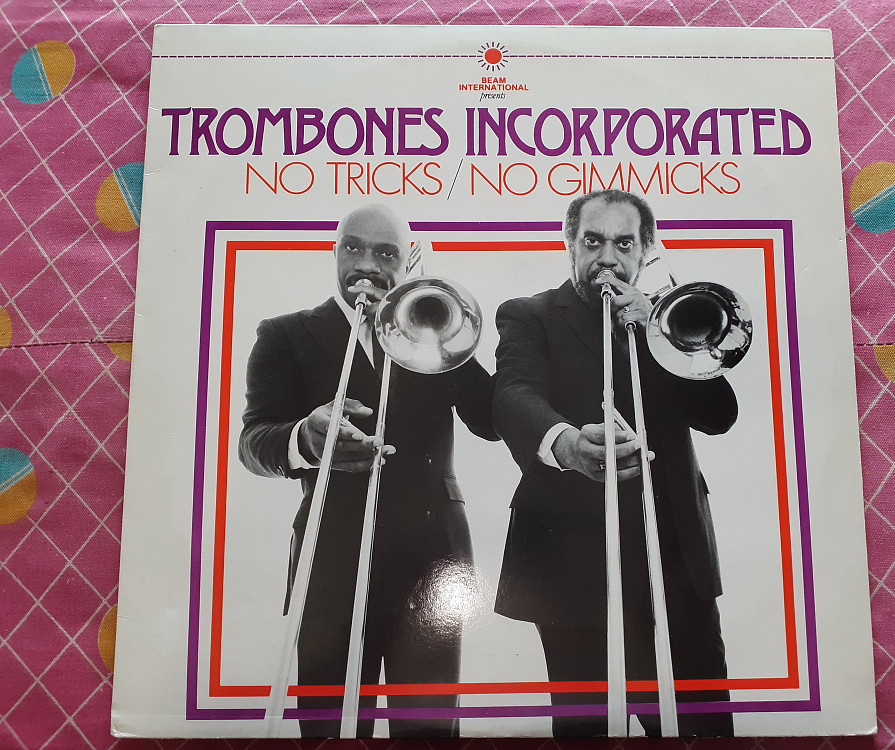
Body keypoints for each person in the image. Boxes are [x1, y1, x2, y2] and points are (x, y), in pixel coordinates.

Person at [239, 204, 497, 738]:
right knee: (330, 729)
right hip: (330, 560)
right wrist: (303, 438)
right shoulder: (285, 334)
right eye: (352, 248)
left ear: (410, 260)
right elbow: (253, 442)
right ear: (334, 251)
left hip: (432, 563)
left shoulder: (431, 326)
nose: (366, 265)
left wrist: (436, 321)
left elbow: (492, 422)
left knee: (429, 733)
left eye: (386, 253)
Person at [492, 189, 738, 737]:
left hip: (675, 567)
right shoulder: (529, 315)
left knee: (703, 731)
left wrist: (660, 332)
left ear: (645, 250)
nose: (607, 257)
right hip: (570, 571)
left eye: (623, 244)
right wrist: (566, 444)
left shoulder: (668, 319)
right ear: (570, 245)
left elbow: (720, 416)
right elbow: (512, 394)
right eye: (593, 241)